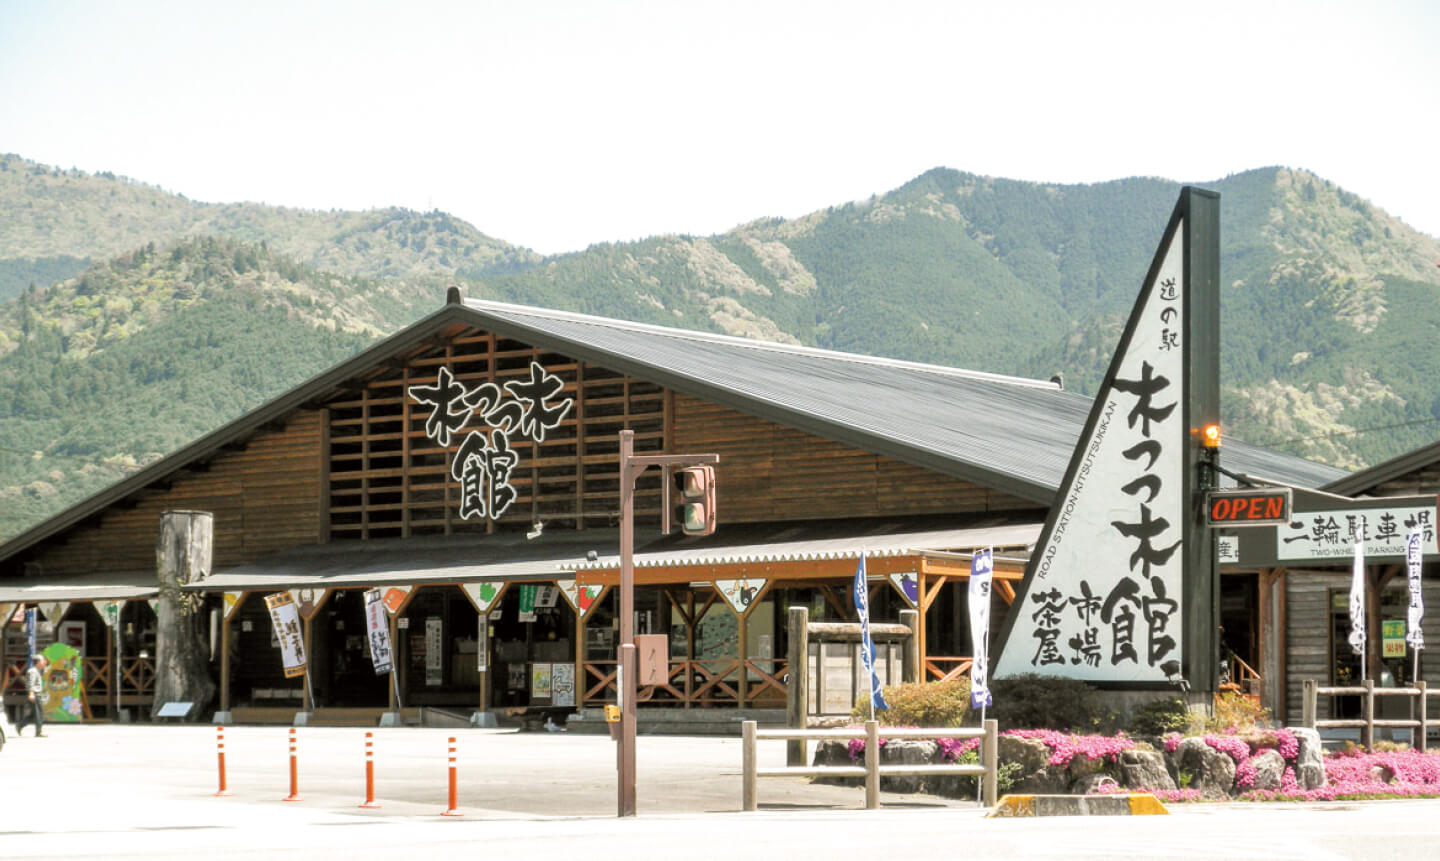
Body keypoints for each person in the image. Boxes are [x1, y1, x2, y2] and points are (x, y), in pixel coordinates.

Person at [16, 655, 47, 737]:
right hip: (34, 695)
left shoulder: (37, 670)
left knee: (34, 715)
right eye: (42, 661)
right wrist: (31, 693)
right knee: (38, 714)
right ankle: (39, 732)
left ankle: (20, 725)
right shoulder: (32, 671)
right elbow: (30, 683)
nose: (43, 662)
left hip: (36, 695)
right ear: (38, 662)